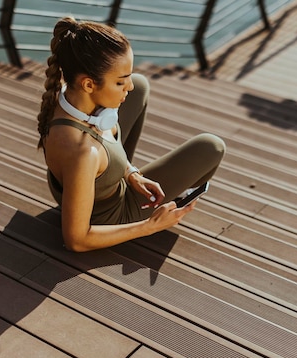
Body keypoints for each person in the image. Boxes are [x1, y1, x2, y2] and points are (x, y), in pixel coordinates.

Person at [37, 16, 225, 252]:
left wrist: (131, 173)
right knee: (211, 147)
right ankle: (172, 199)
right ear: (88, 84)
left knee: (141, 85)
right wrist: (150, 225)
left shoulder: (64, 96)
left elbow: (128, 92)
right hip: (108, 215)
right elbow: (77, 240)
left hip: (87, 184)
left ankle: (121, 171)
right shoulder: (83, 153)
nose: (128, 86)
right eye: (119, 82)